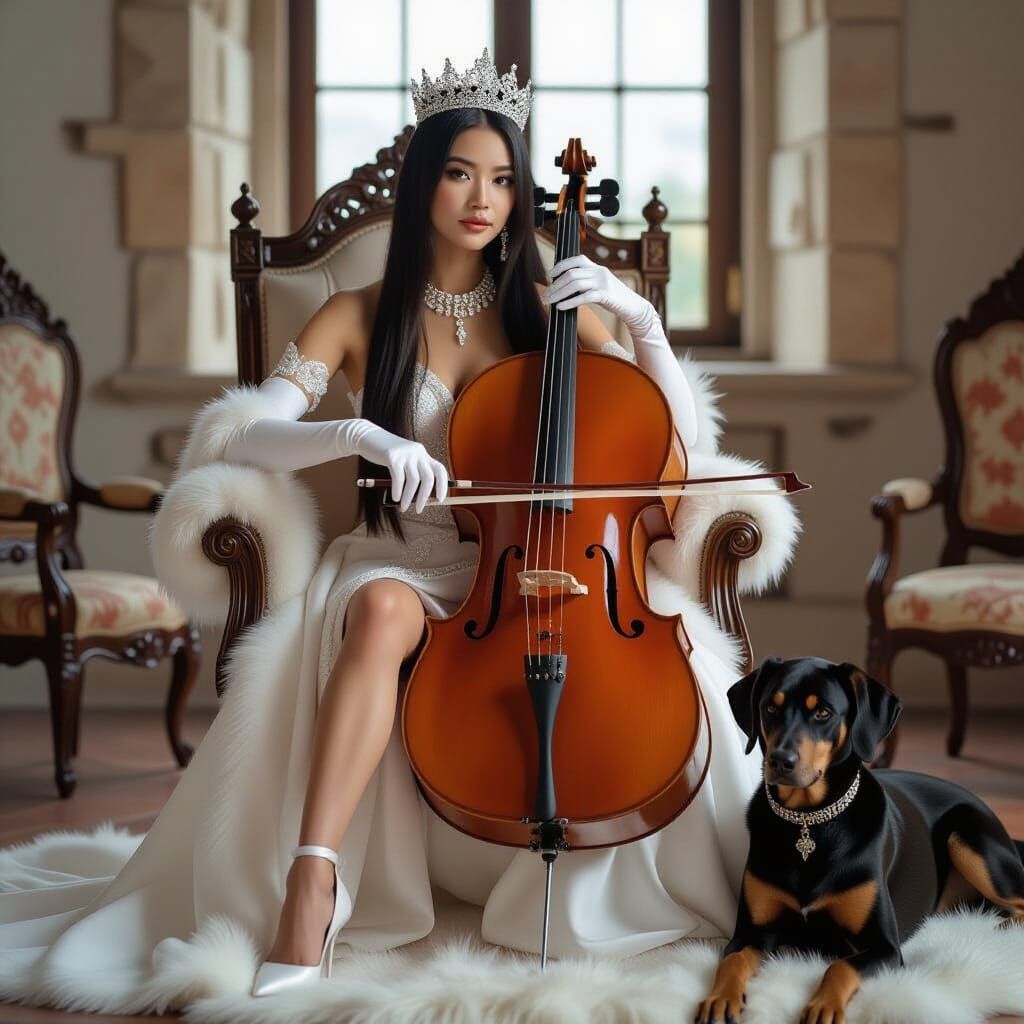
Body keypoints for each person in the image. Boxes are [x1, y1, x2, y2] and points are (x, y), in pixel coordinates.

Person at [0, 51, 760, 1013]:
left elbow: (674, 455)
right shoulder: (359, 313)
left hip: (550, 569)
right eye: (458, 173)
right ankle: (312, 883)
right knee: (385, 613)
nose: (482, 198)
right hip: (402, 558)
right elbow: (248, 434)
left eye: (502, 179)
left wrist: (640, 321)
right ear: (421, 182)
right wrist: (354, 431)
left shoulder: (550, 313)